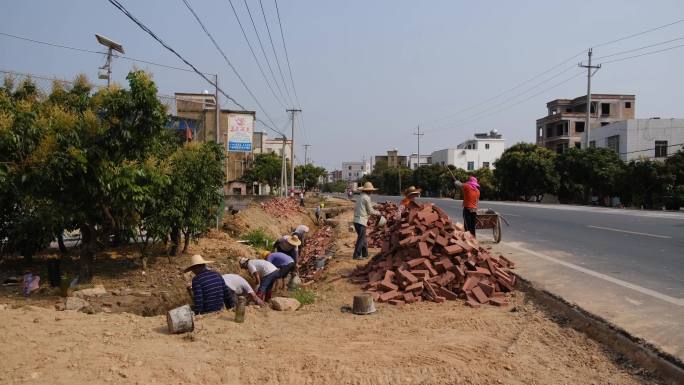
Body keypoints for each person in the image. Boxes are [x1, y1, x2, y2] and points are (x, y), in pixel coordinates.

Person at [352, 181, 381, 260]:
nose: (371, 191)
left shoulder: (360, 196)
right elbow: (370, 211)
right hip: (361, 221)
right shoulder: (366, 198)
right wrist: (378, 213)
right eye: (371, 190)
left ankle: (365, 254)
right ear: (368, 190)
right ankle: (356, 255)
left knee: (363, 238)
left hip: (356, 220)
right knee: (361, 239)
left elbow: (365, 210)